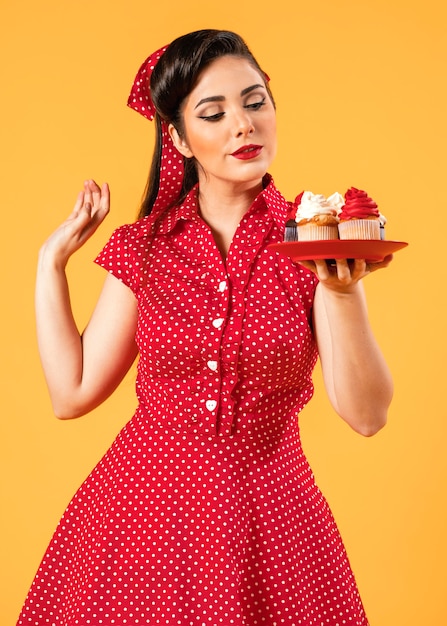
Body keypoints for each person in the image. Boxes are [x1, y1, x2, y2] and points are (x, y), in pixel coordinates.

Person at [18, 29, 393, 625]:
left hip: (272, 531)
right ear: (179, 139)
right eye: (213, 113)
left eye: (255, 101)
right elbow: (72, 393)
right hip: (139, 530)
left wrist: (342, 290)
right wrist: (50, 263)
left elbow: (367, 415)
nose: (243, 125)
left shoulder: (313, 238)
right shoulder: (144, 249)